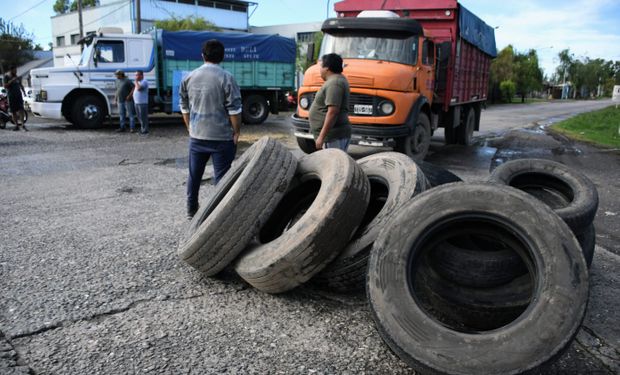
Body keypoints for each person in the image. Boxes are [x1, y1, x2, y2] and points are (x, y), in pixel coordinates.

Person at [179, 39, 242, 219]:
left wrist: (190, 127)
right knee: (222, 179)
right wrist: (236, 132)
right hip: (222, 138)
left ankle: (192, 210)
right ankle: (218, 216)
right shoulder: (227, 78)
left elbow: (183, 106)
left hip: (197, 136)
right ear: (221, 57)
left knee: (194, 175)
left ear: (202, 55)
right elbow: (234, 110)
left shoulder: (189, 77)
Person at [308, 53, 351, 151]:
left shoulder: (334, 83)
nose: (320, 70)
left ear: (327, 68)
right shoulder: (337, 80)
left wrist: (321, 137)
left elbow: (333, 112)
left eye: (321, 66)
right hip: (333, 136)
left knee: (334, 165)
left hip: (333, 137)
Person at [3, 66, 27, 131]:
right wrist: (12, 81)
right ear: (11, 70)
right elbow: (5, 86)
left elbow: (20, 84)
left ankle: (22, 125)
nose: (16, 71)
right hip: (11, 96)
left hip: (18, 95)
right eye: (14, 70)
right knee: (13, 111)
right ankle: (16, 125)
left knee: (21, 109)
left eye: (16, 70)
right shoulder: (6, 77)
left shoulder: (16, 76)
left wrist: (24, 91)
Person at [131, 70, 149, 135]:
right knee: (139, 117)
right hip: (137, 102)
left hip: (142, 103)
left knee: (143, 117)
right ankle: (142, 129)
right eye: (135, 75)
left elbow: (139, 89)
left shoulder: (144, 81)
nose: (136, 76)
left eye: (137, 75)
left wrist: (135, 81)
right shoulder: (138, 82)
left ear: (142, 75)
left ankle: (145, 131)